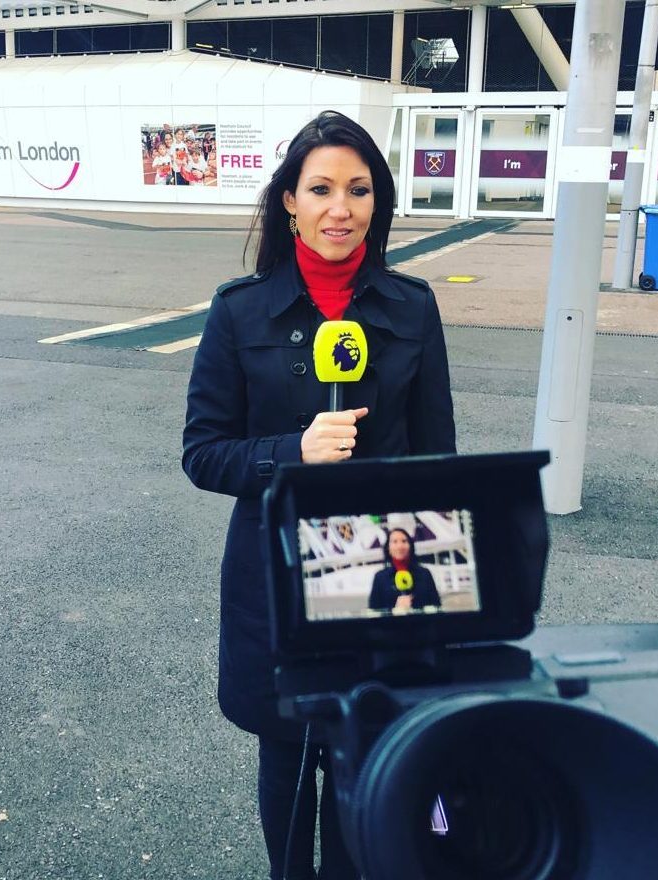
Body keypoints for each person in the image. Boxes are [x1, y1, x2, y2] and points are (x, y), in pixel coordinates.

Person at [181, 110, 456, 880]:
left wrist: (449, 591)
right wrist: (289, 453)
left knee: (366, 766)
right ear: (290, 204)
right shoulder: (240, 311)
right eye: (322, 189)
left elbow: (440, 459)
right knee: (289, 762)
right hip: (276, 579)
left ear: (379, 201)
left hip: (384, 577)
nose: (343, 208)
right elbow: (203, 453)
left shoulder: (412, 306)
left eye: (359, 189)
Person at [368, 528, 442, 612]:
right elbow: (373, 611)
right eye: (395, 542)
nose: (400, 546)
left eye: (404, 541)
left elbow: (437, 605)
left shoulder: (425, 574)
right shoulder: (380, 577)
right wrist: (394, 610)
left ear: (410, 546)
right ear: (388, 548)